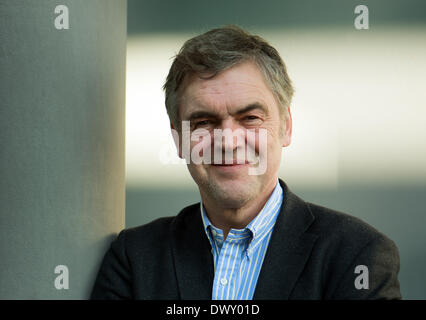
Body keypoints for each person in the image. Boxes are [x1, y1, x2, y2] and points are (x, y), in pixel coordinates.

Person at [90, 25, 401, 300]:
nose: (227, 141)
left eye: (250, 118)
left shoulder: (357, 256)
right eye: (203, 122)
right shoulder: (134, 257)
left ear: (286, 127)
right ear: (179, 140)